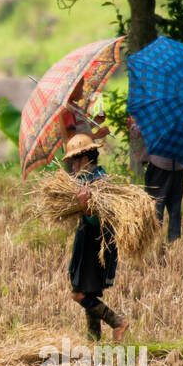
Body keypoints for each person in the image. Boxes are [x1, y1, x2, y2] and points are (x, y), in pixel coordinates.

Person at [64, 133, 129, 341]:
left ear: (84, 158)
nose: (73, 165)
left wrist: (86, 208)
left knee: (79, 294)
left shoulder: (98, 183)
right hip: (88, 240)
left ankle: (117, 322)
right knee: (87, 291)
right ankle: (93, 339)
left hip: (95, 242)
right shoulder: (87, 179)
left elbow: (100, 218)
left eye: (74, 160)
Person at [129, 115, 183, 243]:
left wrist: (132, 125)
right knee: (175, 207)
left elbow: (138, 132)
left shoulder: (159, 110)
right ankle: (174, 242)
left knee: (155, 206)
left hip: (159, 166)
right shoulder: (182, 113)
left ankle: (153, 242)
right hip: (178, 165)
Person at [61, 77, 110, 142]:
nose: (82, 90)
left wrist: (95, 122)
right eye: (81, 87)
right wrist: (96, 135)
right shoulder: (67, 110)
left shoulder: (75, 107)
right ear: (72, 88)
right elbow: (72, 139)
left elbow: (81, 131)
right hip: (83, 151)